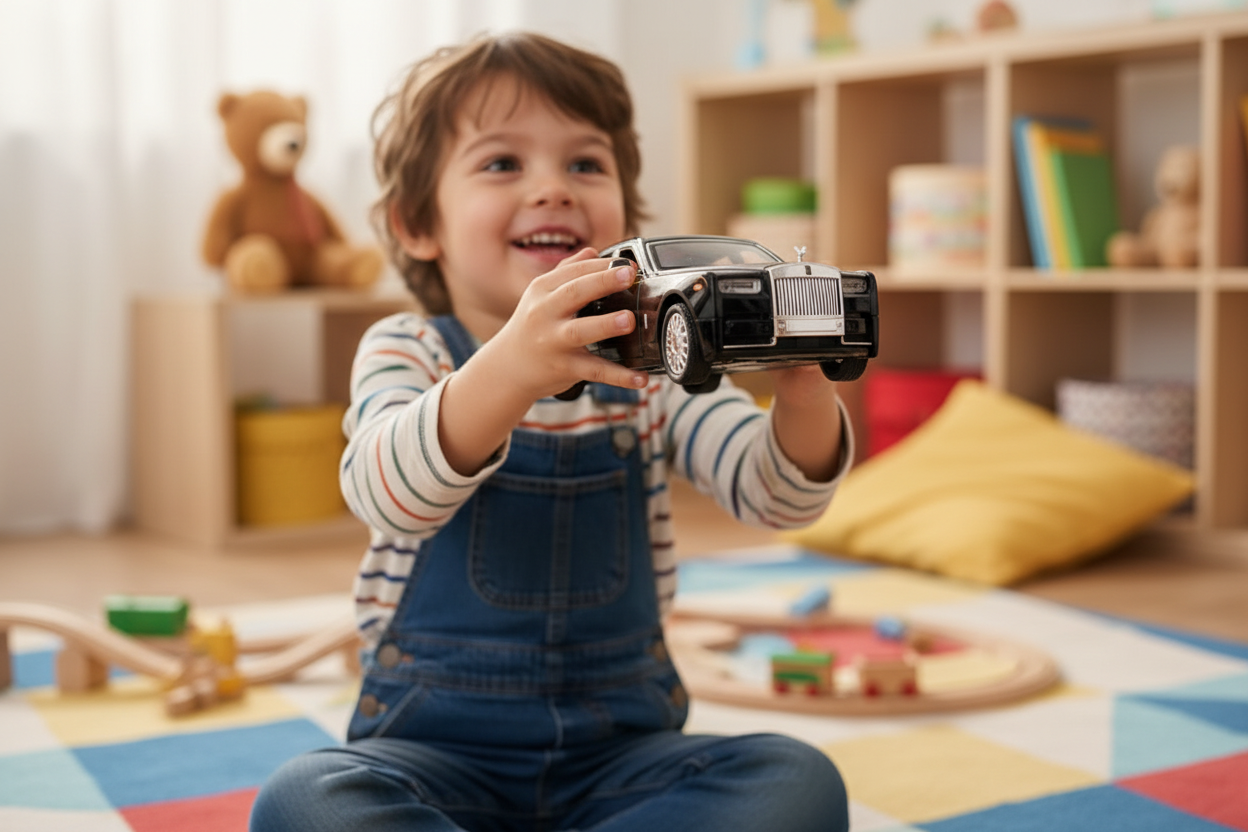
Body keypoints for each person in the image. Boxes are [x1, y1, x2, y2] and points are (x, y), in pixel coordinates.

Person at [250, 31, 852, 832]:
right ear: (417, 224)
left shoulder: (653, 370)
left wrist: (803, 391)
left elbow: (776, 496)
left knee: (795, 778)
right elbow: (385, 491)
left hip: (621, 765)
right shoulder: (409, 348)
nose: (553, 190)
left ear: (627, 229)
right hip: (432, 760)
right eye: (503, 164)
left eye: (585, 164)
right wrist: (510, 370)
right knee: (305, 798)